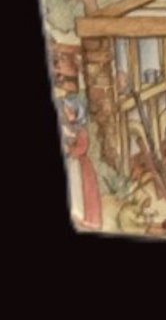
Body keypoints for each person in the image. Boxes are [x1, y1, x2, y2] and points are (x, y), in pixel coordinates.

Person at [62, 94, 103, 230]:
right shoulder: (74, 129)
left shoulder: (81, 130)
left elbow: (82, 147)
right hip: (74, 164)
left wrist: (69, 149)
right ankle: (77, 215)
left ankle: (87, 218)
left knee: (84, 191)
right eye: (66, 111)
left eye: (69, 111)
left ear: (77, 111)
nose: (66, 113)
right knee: (75, 190)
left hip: (81, 165)